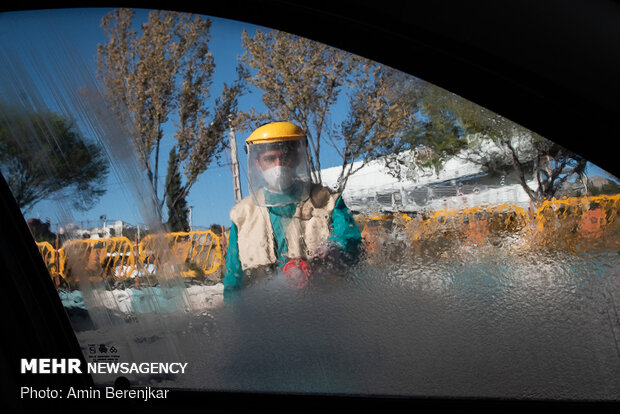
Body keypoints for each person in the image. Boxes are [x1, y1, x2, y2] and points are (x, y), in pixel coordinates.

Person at [223, 121, 362, 299]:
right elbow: (233, 278)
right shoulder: (243, 215)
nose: (278, 165)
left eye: (285, 157)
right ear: (257, 163)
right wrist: (236, 316)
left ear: (297, 159)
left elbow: (351, 240)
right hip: (265, 312)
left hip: (325, 304)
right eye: (270, 158)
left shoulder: (328, 201)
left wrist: (335, 248)